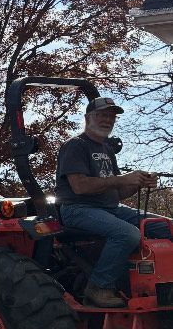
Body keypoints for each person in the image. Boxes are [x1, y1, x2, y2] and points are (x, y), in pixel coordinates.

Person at [55, 97, 159, 308]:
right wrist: (123, 179)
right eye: (102, 115)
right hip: (78, 209)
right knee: (127, 233)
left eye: (111, 117)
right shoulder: (75, 146)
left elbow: (117, 193)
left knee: (165, 226)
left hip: (111, 208)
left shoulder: (106, 150)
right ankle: (98, 286)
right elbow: (80, 187)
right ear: (87, 118)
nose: (107, 120)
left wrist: (138, 182)